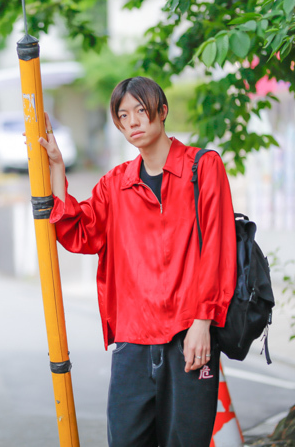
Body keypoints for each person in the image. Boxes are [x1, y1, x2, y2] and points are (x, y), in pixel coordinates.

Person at [37, 76, 237, 447]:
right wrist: (57, 169)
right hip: (132, 340)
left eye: (140, 111)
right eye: (123, 115)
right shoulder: (116, 184)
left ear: (161, 112)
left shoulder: (202, 168)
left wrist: (202, 321)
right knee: (126, 440)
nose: (133, 122)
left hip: (188, 336)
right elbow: (80, 233)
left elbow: (218, 249)